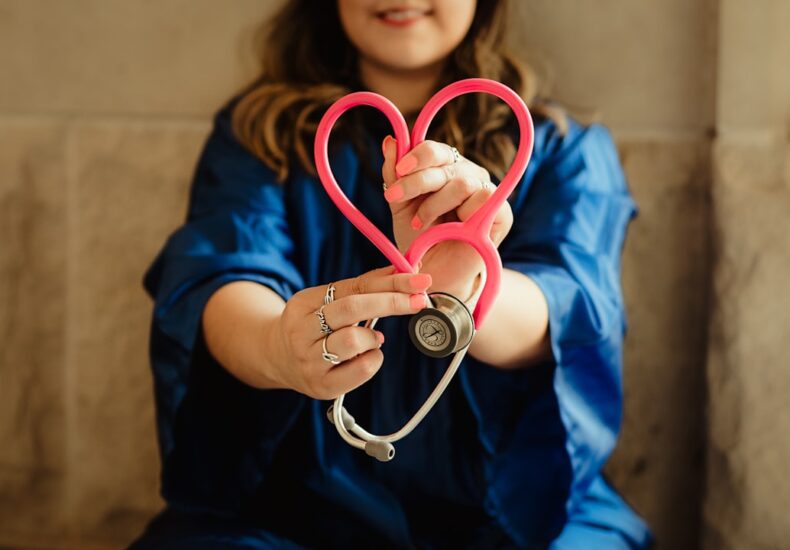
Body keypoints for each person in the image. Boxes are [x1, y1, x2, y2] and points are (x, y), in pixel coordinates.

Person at [132, 1, 653, 548]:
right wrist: (277, 348)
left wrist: (461, 291)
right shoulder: (257, 136)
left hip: (520, 509)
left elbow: (570, 306)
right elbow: (219, 273)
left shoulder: (561, 148)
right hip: (289, 508)